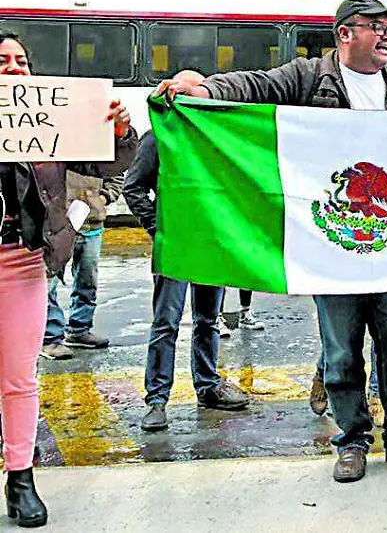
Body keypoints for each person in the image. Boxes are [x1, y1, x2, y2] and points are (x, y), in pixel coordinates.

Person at [155, 0, 387, 483]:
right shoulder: (307, 78)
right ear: (345, 33)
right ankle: (352, 441)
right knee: (341, 353)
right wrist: (204, 86)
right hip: (333, 250)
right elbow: (254, 86)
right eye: (376, 27)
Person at [1, 31, 138, 527]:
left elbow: (103, 162)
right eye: (2, 60)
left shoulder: (48, 119)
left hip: (19, 263)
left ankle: (21, 477)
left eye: (21, 60)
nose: (14, 68)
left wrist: (119, 132)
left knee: (19, 378)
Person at [124, 130, 252, 432]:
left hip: (212, 243)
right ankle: (157, 400)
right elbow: (133, 187)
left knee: (208, 320)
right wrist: (160, 229)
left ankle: (208, 386)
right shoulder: (160, 135)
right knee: (166, 323)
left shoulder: (216, 133)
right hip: (175, 248)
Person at [40, 171, 124, 360]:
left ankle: (79, 329)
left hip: (91, 222)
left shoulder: (98, 153)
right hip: (55, 225)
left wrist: (102, 198)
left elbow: (117, 173)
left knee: (88, 279)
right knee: (49, 281)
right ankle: (50, 337)